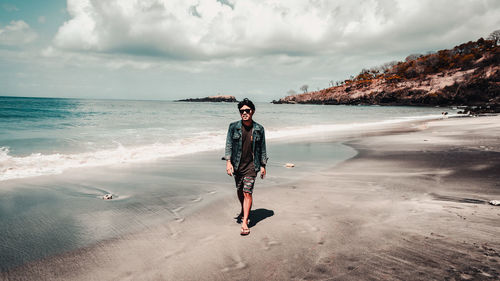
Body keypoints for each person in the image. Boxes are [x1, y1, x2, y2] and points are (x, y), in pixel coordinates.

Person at [224, 98, 268, 236]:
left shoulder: (259, 129)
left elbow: (262, 148)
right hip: (237, 165)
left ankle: (245, 222)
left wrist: (263, 165)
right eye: (242, 111)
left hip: (251, 166)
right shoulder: (233, 127)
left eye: (247, 110)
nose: (244, 113)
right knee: (239, 191)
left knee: (247, 192)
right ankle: (244, 210)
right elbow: (229, 145)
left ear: (252, 111)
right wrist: (228, 162)